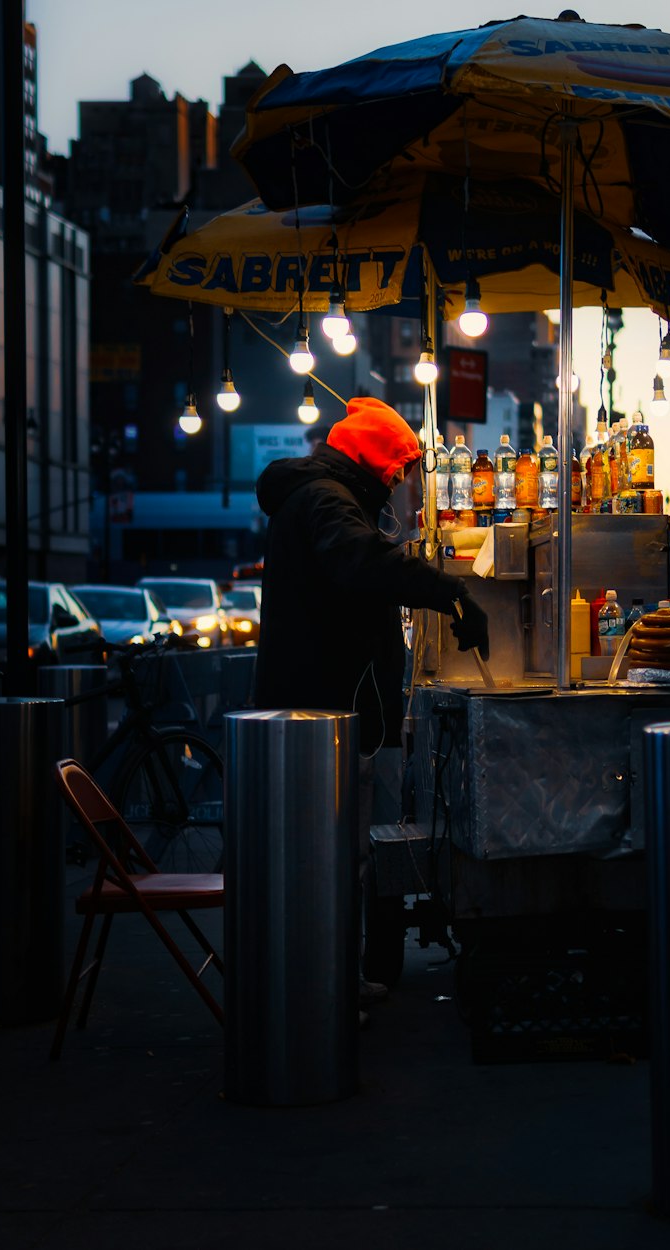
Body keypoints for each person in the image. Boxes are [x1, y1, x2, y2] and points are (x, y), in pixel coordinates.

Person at [254, 396, 489, 1015]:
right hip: (321, 717)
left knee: (339, 859)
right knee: (330, 861)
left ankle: (327, 982)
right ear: (378, 465)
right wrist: (450, 593)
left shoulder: (322, 495)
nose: (397, 484)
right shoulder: (327, 501)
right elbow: (360, 560)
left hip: (325, 714)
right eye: (398, 472)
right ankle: (319, 995)